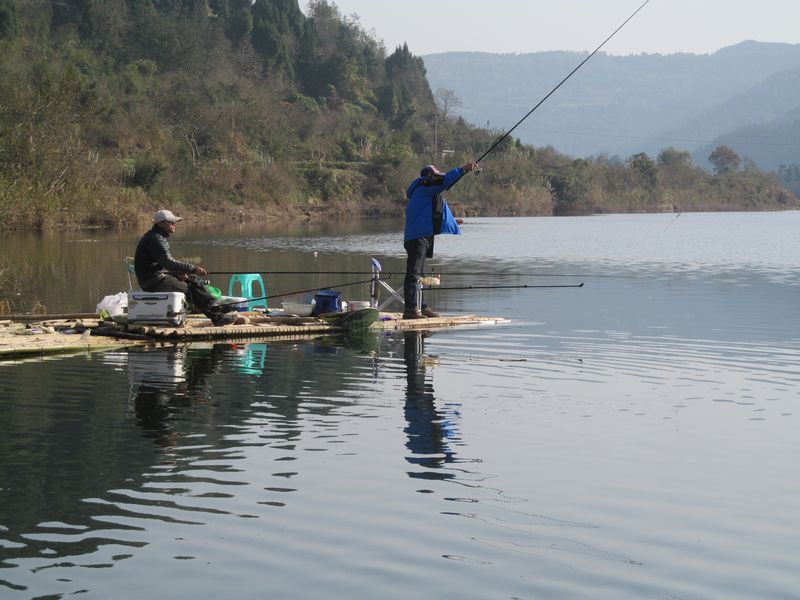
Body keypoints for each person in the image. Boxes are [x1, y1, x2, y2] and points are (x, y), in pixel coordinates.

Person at [134, 209, 239, 326]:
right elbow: (168, 263)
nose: (174, 224)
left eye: (174, 222)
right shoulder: (156, 239)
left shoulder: (155, 237)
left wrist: (176, 274)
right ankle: (217, 318)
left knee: (192, 282)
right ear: (160, 223)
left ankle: (216, 309)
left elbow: (161, 265)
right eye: (171, 222)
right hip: (154, 281)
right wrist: (193, 268)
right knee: (191, 289)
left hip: (154, 278)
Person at [403, 162, 479, 319]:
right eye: (435, 176)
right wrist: (463, 169)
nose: (438, 179)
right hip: (417, 237)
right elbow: (446, 182)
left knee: (420, 275)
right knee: (414, 273)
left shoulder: (426, 191)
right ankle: (410, 309)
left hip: (423, 236)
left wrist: (453, 221)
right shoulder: (424, 188)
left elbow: (437, 211)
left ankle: (421, 307)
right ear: (428, 178)